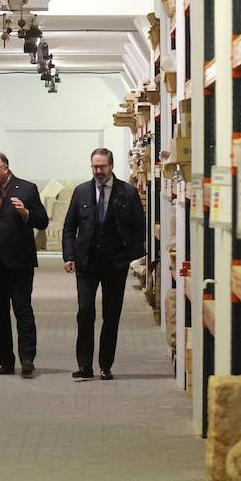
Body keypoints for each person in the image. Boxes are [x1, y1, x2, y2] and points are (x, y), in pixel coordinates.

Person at [62, 148, 148, 381]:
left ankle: (105, 365)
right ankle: (84, 365)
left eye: (102, 167)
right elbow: (69, 227)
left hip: (114, 263)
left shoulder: (127, 192)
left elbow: (139, 227)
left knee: (111, 315)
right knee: (85, 311)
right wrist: (69, 256)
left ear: (112, 166)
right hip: (87, 262)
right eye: (94, 167)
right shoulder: (81, 192)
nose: (98, 171)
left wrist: (130, 257)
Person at [0, 151, 48, 377]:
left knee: (22, 310)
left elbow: (42, 221)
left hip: (19, 262)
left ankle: (27, 359)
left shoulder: (26, 189)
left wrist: (25, 213)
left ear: (6, 168)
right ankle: (5, 360)